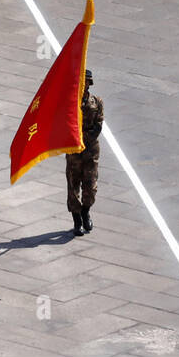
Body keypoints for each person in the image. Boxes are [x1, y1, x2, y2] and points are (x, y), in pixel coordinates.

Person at [66, 69, 103, 236]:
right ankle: (77, 220)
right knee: (73, 186)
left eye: (87, 81)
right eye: (82, 81)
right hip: (73, 149)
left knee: (91, 185)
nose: (85, 84)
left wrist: (85, 138)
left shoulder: (97, 101)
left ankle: (85, 211)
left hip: (90, 148)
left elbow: (98, 124)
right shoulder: (70, 101)